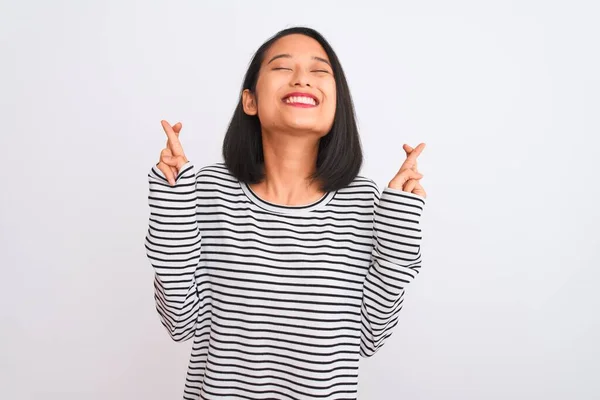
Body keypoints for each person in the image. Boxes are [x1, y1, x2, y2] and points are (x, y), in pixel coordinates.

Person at [145, 26, 427, 400]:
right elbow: (180, 323)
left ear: (335, 102)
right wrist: (173, 200)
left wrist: (400, 223)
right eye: (282, 68)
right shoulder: (208, 190)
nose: (302, 79)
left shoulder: (362, 201)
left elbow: (370, 337)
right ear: (250, 101)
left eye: (319, 71)